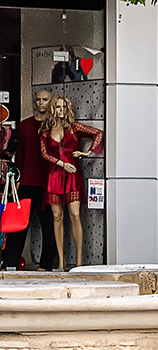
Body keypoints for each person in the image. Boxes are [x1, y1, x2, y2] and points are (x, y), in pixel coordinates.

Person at [39, 95, 103, 271]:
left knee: (75, 215)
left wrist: (87, 153)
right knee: (57, 217)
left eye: (64, 107)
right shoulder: (45, 131)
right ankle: (61, 261)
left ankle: (79, 261)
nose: (61, 110)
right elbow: (44, 154)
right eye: (58, 107)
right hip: (54, 176)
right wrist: (61, 164)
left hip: (72, 174)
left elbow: (98, 133)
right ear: (53, 109)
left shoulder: (74, 127)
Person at [1, 89, 56, 272]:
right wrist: (19, 177)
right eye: (38, 99)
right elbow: (21, 154)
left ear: (51, 102)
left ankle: (47, 264)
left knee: (49, 224)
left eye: (45, 100)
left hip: (49, 183)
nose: (41, 103)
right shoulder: (25, 125)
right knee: (19, 224)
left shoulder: (55, 126)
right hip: (27, 180)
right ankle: (10, 262)